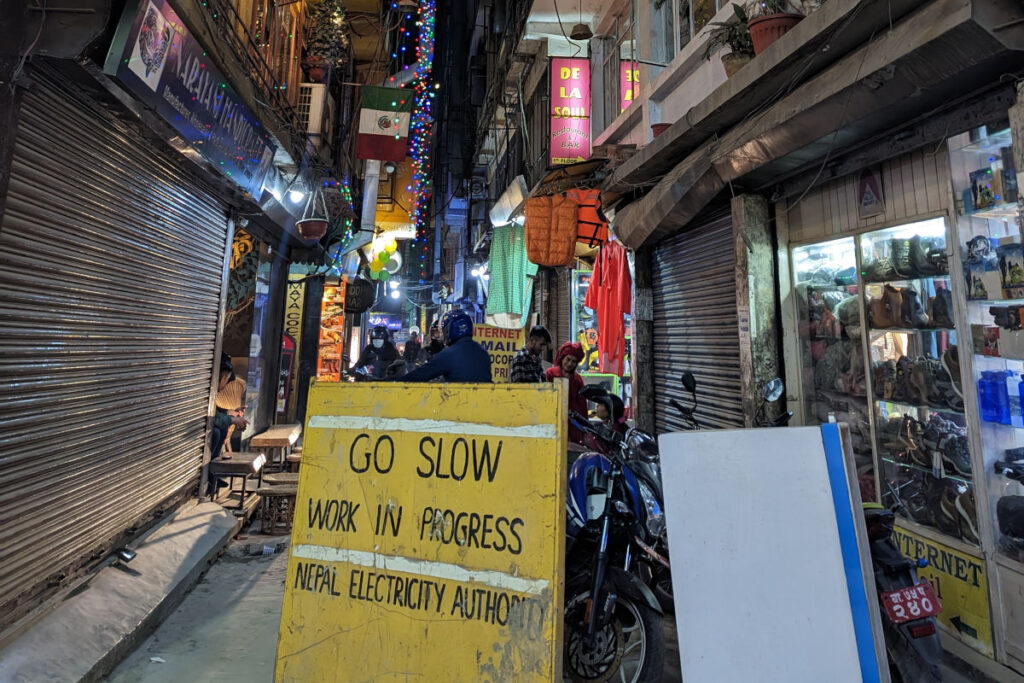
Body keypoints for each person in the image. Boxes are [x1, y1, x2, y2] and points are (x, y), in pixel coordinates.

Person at [397, 311, 491, 383]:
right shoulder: (482, 352)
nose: (442, 335)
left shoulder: (449, 354)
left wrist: (395, 381)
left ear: (450, 330)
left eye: (443, 331)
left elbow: (421, 374)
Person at [546, 342, 588, 443]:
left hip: (573, 425)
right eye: (568, 359)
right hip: (553, 420)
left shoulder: (578, 380)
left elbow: (582, 406)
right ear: (562, 358)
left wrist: (585, 427)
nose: (569, 364)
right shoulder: (550, 374)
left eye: (573, 361)